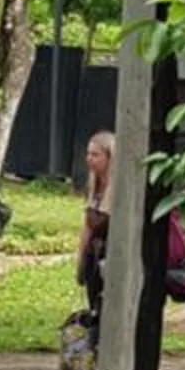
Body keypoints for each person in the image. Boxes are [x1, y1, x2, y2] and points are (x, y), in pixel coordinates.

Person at [77, 128, 114, 345]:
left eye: (95, 154)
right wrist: (81, 259)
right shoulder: (93, 186)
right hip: (94, 254)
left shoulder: (118, 187)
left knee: (108, 307)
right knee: (94, 306)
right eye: (88, 154)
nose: (89, 159)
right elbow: (87, 226)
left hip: (110, 255)